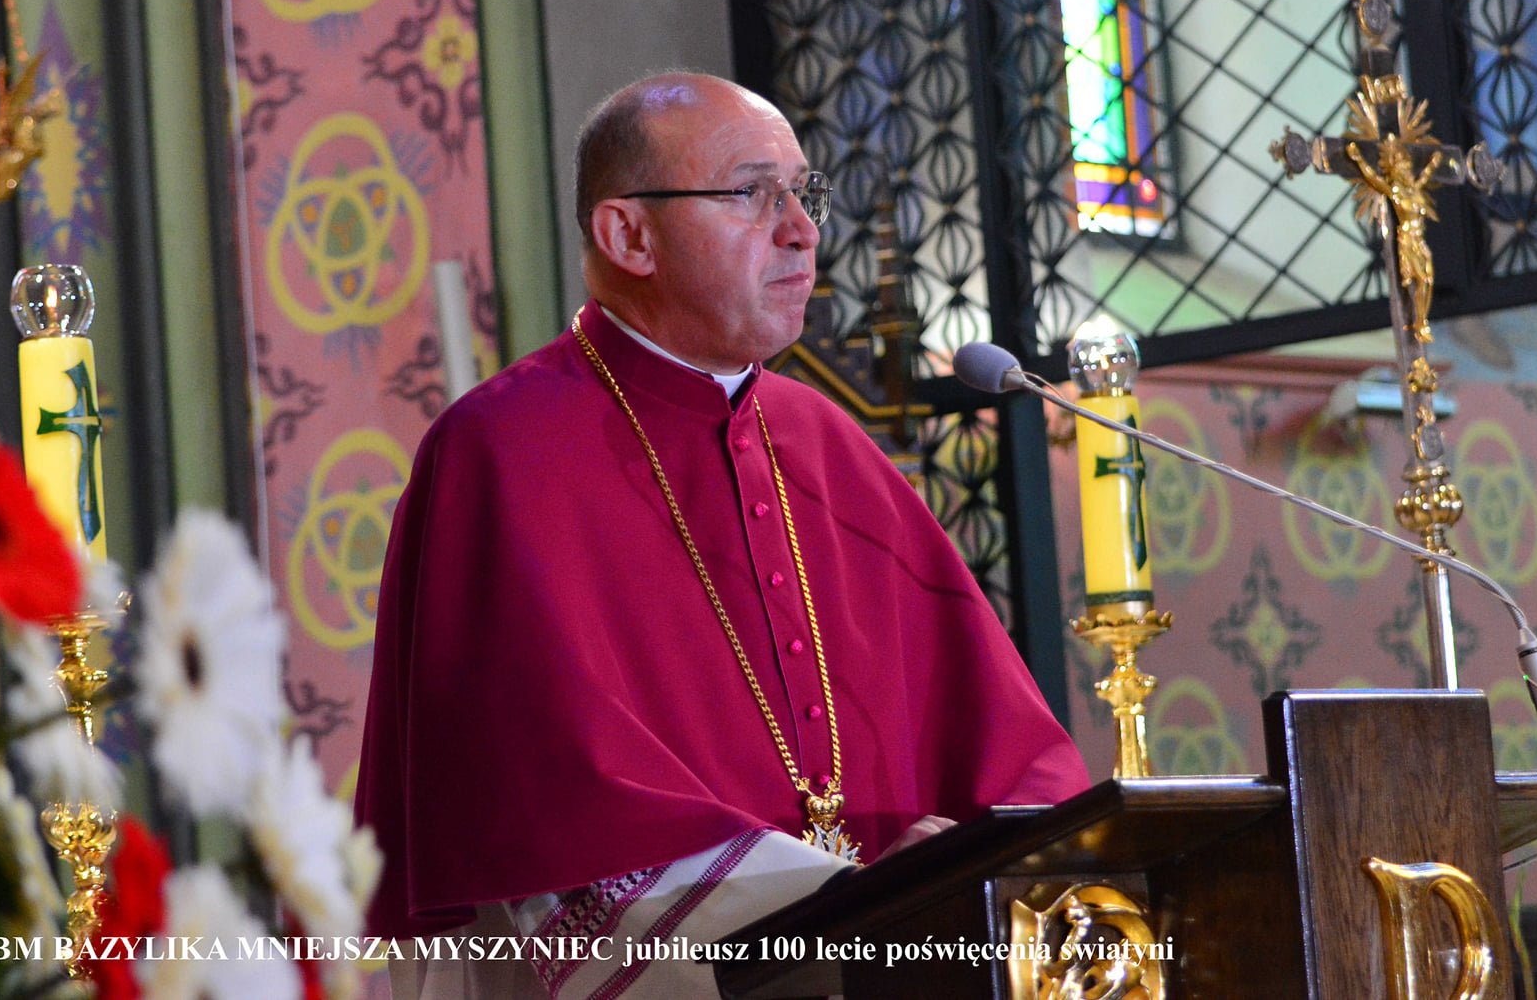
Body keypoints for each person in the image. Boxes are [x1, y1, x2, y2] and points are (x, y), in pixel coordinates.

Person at [355, 73, 1089, 999]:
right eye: (753, 193)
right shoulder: (499, 452)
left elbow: (1017, 760)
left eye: (804, 193)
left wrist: (980, 868)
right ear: (629, 236)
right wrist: (859, 904)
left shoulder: (828, 445)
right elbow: (550, 812)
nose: (802, 230)